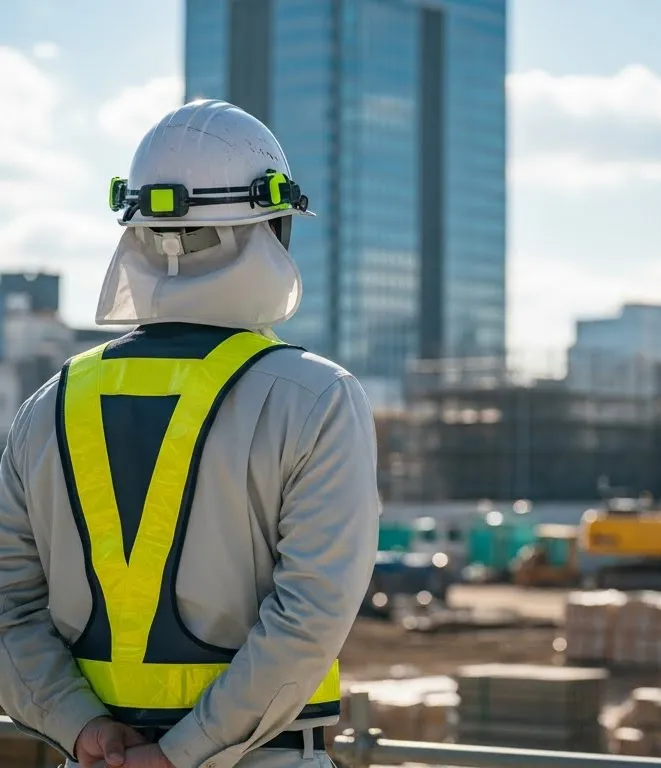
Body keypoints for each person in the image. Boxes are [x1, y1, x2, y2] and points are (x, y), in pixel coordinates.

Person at [0, 100, 380, 768]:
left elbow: (7, 608)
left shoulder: (47, 406)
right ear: (274, 229)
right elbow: (309, 617)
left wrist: (81, 726)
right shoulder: (316, 398)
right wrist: (182, 754)